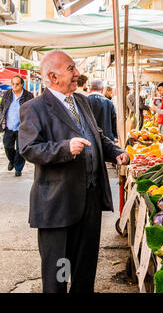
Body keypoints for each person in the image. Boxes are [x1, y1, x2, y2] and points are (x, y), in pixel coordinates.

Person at [18, 50, 129, 293]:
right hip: (58, 204)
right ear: (53, 77)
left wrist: (114, 151)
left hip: (89, 200)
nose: (77, 73)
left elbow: (97, 135)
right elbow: (29, 148)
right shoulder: (34, 108)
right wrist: (65, 148)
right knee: (60, 270)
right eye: (71, 69)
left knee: (85, 266)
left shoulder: (82, 101)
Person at [0, 75, 34, 176]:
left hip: (22, 127)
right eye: (13, 84)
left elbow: (32, 110)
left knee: (21, 149)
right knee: (7, 146)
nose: (14, 86)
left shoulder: (28, 96)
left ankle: (18, 168)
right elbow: (1, 107)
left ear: (22, 84)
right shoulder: (7, 94)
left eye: (17, 84)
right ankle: (12, 160)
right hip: (9, 126)